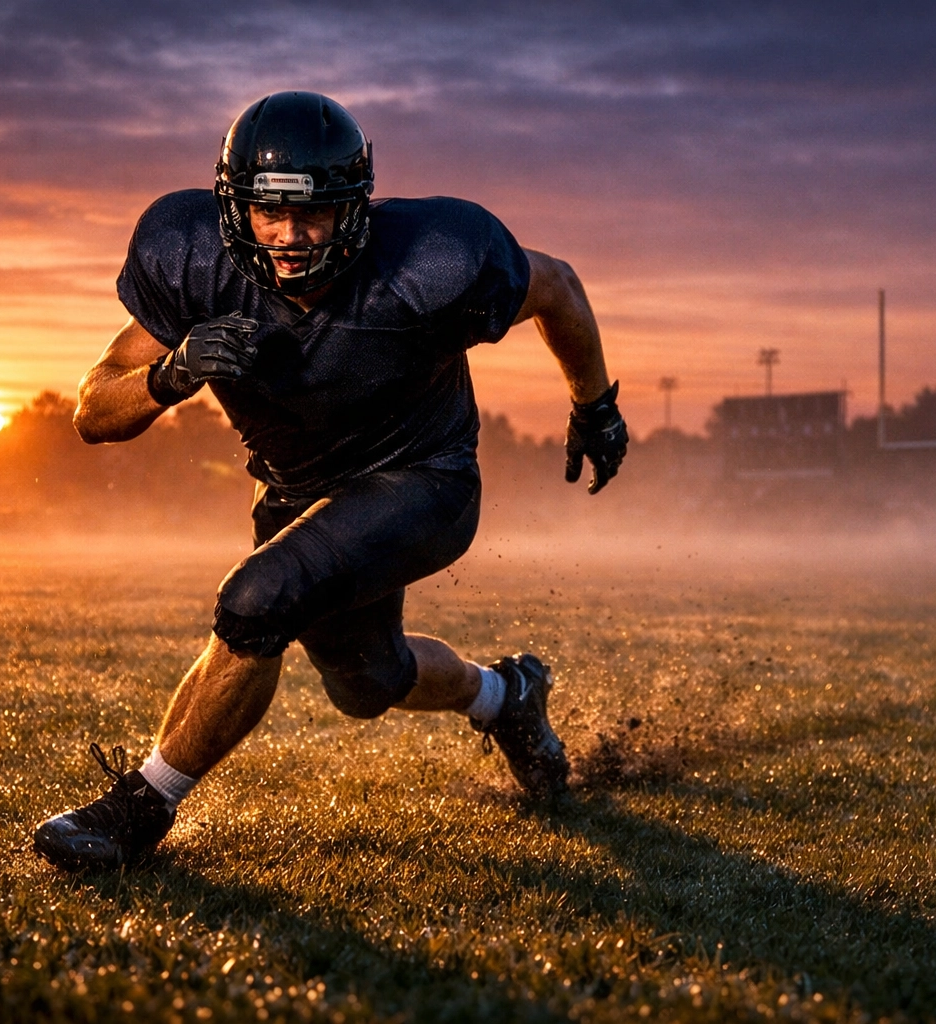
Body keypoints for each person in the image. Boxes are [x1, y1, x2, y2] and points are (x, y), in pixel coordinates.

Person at [32, 91, 628, 870]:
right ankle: (505, 697)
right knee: (367, 682)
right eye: (267, 212)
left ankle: (138, 809)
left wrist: (596, 406)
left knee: (258, 600)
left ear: (357, 208)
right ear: (232, 204)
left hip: (422, 480)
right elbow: (94, 407)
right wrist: (171, 376)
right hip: (298, 491)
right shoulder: (192, 258)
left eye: (313, 214)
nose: (288, 236)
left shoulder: (437, 257)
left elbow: (558, 287)